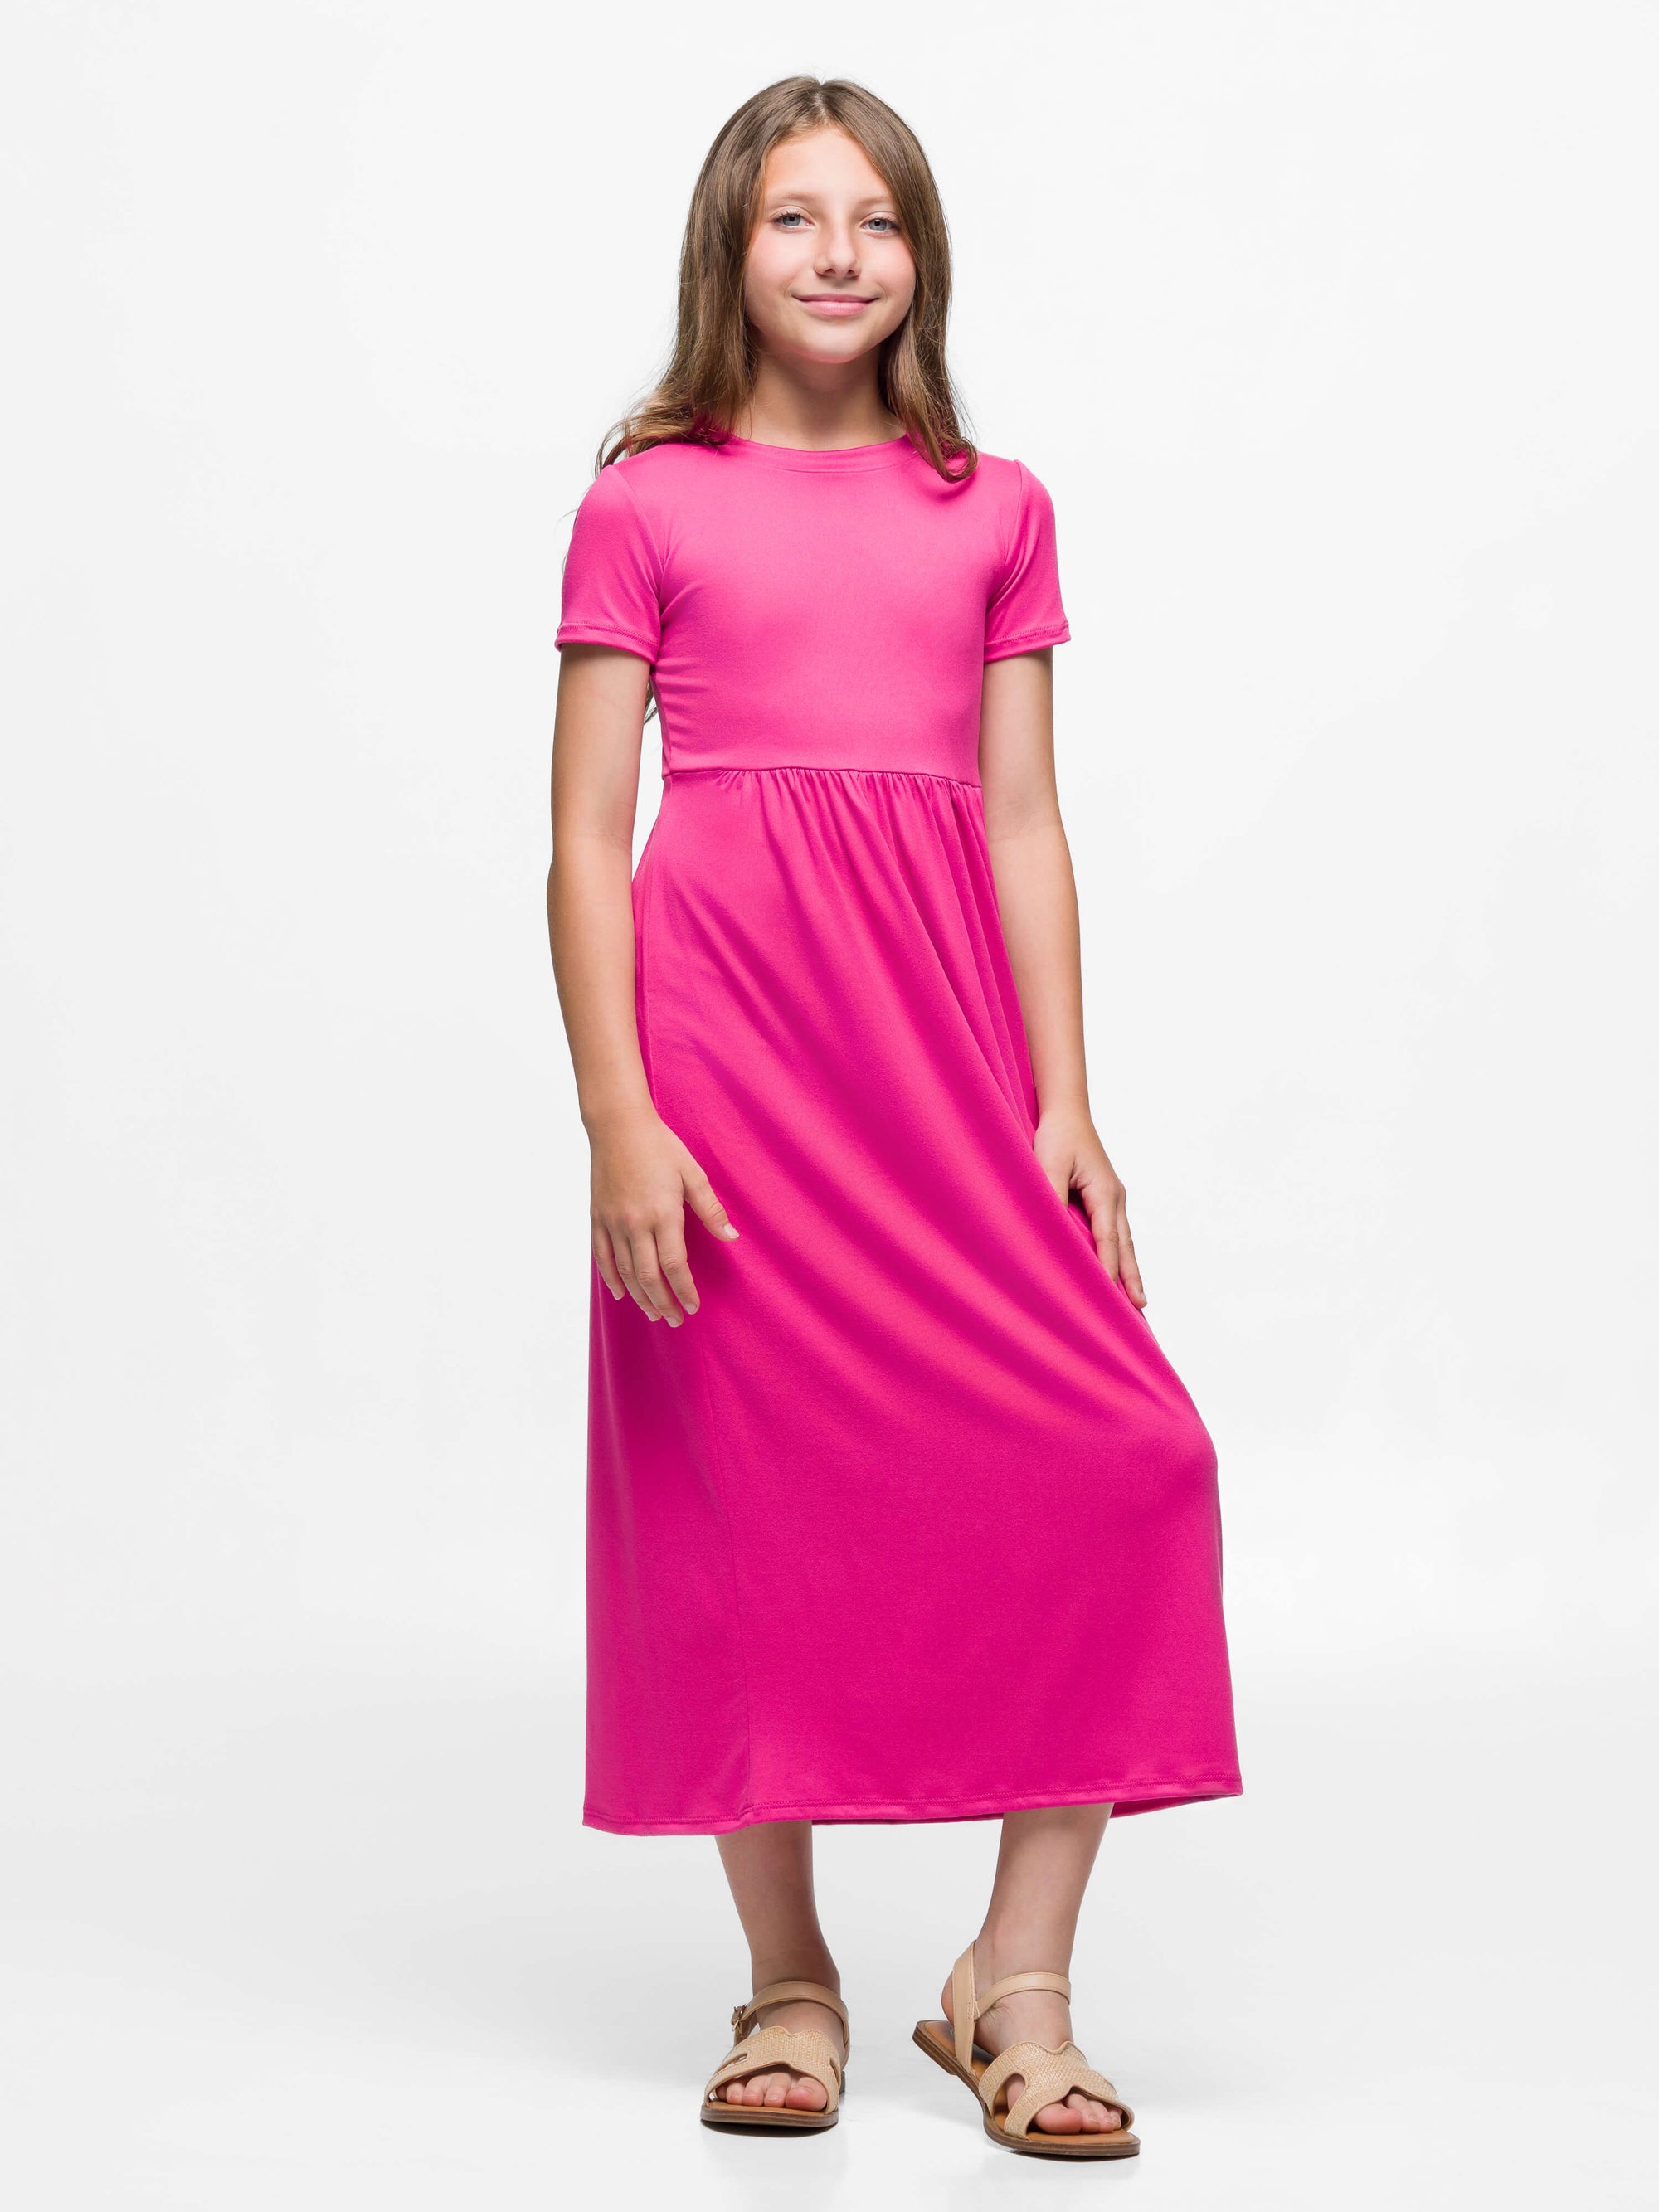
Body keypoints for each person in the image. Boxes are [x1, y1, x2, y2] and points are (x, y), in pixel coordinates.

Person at [546, 75, 1240, 2159]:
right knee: (739, 1501)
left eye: (876, 218)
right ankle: (788, 1976)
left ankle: (1009, 1982)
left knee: (1131, 1458)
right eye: (794, 216)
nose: (837, 253)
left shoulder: (992, 505)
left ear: (921, 256)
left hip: (939, 1060)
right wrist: (617, 1113)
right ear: (728, 251)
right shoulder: (648, 501)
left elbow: (1022, 820)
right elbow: (584, 836)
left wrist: (1068, 1101)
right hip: (728, 1067)